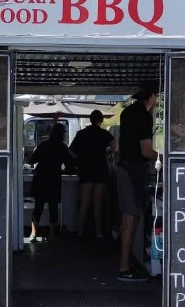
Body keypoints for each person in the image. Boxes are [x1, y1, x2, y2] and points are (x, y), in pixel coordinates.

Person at [116, 85, 158, 281]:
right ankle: (125, 268)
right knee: (131, 218)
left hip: (124, 167)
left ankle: (128, 263)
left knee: (128, 218)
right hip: (134, 169)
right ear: (152, 96)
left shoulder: (127, 112)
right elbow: (146, 152)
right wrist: (165, 158)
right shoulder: (143, 116)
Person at [70, 110, 116, 238]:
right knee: (98, 203)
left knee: (85, 203)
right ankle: (99, 233)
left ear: (90, 119)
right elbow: (115, 145)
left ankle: (80, 232)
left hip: (85, 170)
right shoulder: (104, 133)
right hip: (101, 170)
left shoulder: (81, 134)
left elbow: (71, 152)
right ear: (101, 120)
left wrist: (80, 158)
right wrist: (110, 154)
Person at [28, 123, 75, 242]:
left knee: (38, 206)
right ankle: (52, 234)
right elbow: (70, 163)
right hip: (54, 178)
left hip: (41, 178)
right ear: (62, 135)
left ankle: (33, 233)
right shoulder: (63, 147)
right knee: (53, 207)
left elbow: (32, 160)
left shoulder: (43, 145)